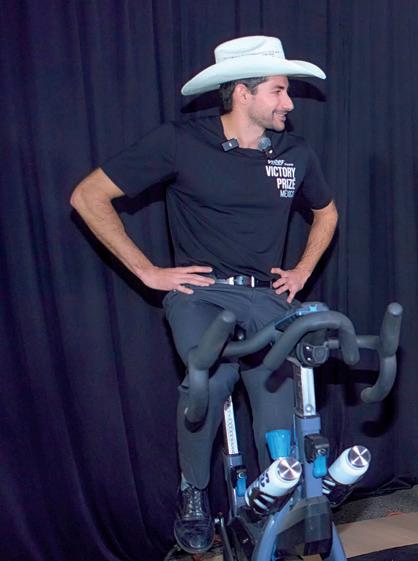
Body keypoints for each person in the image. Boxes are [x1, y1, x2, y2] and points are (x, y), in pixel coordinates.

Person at [69, 36, 338, 553]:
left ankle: (273, 505)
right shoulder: (181, 142)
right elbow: (88, 195)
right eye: (279, 91)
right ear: (242, 93)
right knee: (207, 380)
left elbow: (326, 212)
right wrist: (148, 272)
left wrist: (302, 270)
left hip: (267, 299)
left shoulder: (295, 153)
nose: (288, 103)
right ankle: (192, 492)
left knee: (277, 411)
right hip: (203, 295)